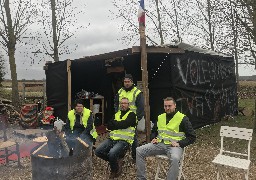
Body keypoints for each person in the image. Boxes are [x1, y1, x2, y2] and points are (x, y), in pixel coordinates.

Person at [136, 97, 196, 180]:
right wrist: (154, 138)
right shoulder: (160, 117)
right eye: (165, 106)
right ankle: (141, 178)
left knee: (175, 158)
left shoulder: (183, 119)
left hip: (174, 147)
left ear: (175, 105)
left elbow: (192, 137)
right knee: (139, 150)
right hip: (159, 144)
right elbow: (154, 131)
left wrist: (179, 143)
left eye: (169, 106)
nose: (167, 108)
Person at [95, 97, 137, 178]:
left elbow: (125, 124)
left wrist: (115, 124)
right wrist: (118, 124)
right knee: (97, 151)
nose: (123, 105)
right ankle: (116, 161)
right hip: (112, 139)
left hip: (124, 141)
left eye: (125, 103)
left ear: (128, 105)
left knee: (112, 153)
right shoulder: (116, 114)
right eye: (122, 103)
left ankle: (115, 170)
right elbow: (109, 125)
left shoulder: (132, 115)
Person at [114, 74, 144, 160]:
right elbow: (116, 103)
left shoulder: (137, 92)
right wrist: (116, 114)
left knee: (133, 139)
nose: (126, 83)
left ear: (132, 82)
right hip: (121, 118)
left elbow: (141, 108)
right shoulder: (120, 91)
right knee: (120, 136)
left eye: (128, 82)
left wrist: (136, 119)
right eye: (125, 82)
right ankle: (121, 155)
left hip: (132, 119)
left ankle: (135, 157)